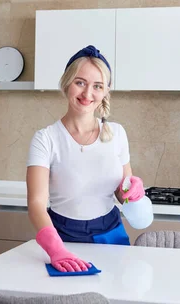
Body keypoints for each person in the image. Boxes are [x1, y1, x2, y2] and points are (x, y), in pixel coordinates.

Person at [26, 45, 145, 273]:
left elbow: (123, 193)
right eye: (80, 82)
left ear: (105, 91)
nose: (87, 94)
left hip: (112, 237)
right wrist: (56, 249)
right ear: (66, 83)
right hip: (62, 240)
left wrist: (134, 192)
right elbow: (36, 204)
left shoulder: (117, 134)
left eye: (97, 86)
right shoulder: (46, 139)